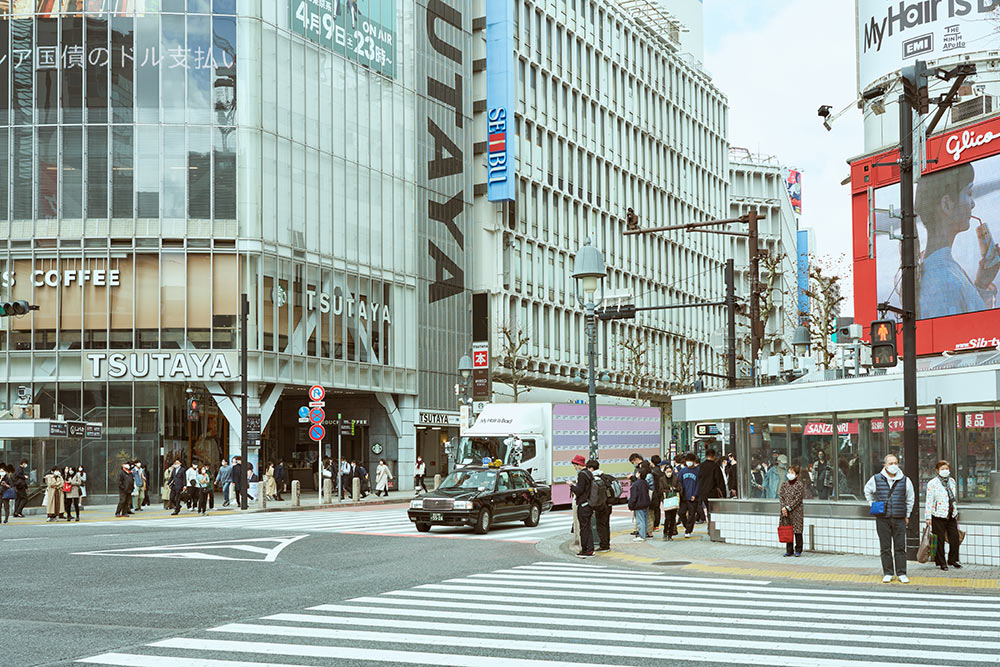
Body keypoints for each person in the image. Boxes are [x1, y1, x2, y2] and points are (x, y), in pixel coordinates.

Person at [915, 163, 996, 318]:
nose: (973, 203)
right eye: (969, 192)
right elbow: (972, 333)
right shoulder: (944, 279)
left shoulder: (941, 268)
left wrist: (982, 284)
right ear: (947, 204)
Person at [864, 454, 916, 584]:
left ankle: (902, 573)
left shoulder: (905, 480)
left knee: (900, 547)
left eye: (896, 463)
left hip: (899, 518)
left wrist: (907, 514)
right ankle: (888, 572)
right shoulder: (876, 479)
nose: (893, 466)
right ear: (885, 465)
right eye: (890, 463)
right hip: (883, 518)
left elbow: (910, 498)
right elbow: (867, 491)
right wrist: (872, 504)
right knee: (885, 547)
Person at [925, 459, 962, 571]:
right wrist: (928, 517)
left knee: (955, 538)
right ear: (937, 470)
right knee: (939, 540)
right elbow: (929, 501)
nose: (945, 471)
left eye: (946, 469)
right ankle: (941, 562)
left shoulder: (952, 481)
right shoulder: (932, 483)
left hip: (951, 514)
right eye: (942, 469)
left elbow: (953, 498)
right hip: (938, 515)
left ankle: (953, 559)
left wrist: (955, 511)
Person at [569, 454, 594, 557]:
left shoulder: (582, 475)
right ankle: (590, 549)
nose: (575, 467)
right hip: (589, 504)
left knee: (583, 528)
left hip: (583, 505)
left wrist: (571, 485)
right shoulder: (589, 473)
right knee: (588, 527)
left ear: (579, 464)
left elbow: (579, 490)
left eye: (575, 465)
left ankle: (585, 550)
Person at [778, 464, 806, 557]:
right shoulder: (784, 485)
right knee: (788, 530)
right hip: (785, 511)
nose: (790, 474)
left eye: (792, 472)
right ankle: (789, 550)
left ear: (797, 475)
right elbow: (781, 496)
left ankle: (798, 549)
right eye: (789, 472)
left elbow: (798, 499)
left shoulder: (799, 485)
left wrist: (788, 507)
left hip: (796, 511)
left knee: (798, 531)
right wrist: (783, 507)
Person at [586, 459, 612, 553]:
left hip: (600, 505)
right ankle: (606, 544)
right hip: (608, 504)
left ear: (591, 468)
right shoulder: (605, 476)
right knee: (606, 525)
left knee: (600, 525)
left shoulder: (595, 478)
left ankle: (604, 545)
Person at [698, 449, 727, 524]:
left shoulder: (701, 466)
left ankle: (710, 526)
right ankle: (712, 527)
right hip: (713, 493)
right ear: (714, 456)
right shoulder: (715, 467)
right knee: (713, 510)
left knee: (708, 509)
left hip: (702, 492)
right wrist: (724, 494)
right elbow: (720, 481)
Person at [628, 461, 652, 542]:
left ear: (639, 474)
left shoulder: (636, 484)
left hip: (639, 504)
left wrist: (631, 505)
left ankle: (642, 536)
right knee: (644, 519)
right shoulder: (645, 482)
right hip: (646, 503)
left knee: (640, 520)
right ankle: (644, 534)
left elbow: (633, 497)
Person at [678, 453, 700, 538]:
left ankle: (688, 530)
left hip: (693, 497)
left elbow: (698, 484)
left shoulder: (697, 471)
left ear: (694, 462)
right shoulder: (682, 471)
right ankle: (686, 525)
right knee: (681, 513)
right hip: (683, 496)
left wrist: (695, 494)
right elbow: (679, 482)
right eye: (687, 461)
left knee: (691, 514)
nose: (689, 462)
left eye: (690, 461)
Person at [660, 459, 682, 540]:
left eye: (670, 471)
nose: (669, 473)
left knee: (673, 518)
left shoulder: (675, 478)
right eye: (667, 471)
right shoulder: (662, 479)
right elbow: (660, 489)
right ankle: (665, 533)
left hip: (674, 500)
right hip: (666, 500)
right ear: (665, 471)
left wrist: (675, 489)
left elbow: (679, 488)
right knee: (667, 518)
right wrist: (667, 490)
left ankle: (670, 534)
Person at [649, 455, 667, 533]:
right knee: (658, 508)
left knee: (654, 508)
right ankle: (656, 525)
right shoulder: (661, 471)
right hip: (661, 491)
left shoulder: (652, 472)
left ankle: (654, 525)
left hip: (655, 492)